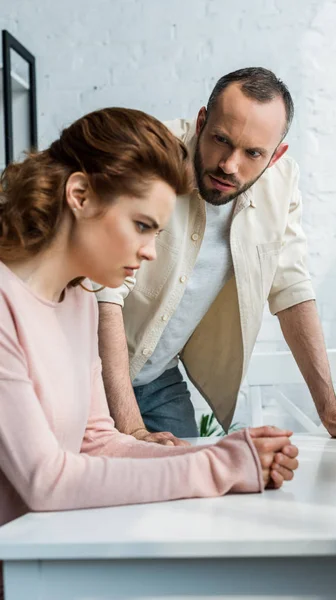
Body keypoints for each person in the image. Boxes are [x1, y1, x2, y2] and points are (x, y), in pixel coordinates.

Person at [0, 106, 300, 534]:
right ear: (80, 195)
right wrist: (219, 467)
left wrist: (230, 454)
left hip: (49, 562)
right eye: (142, 225)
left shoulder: (79, 299)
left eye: (157, 232)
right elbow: (45, 482)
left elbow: (98, 441)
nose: (150, 252)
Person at [96, 68, 336, 445]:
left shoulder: (282, 183)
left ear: (275, 155)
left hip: (157, 378)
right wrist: (132, 429)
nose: (230, 165)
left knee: (192, 489)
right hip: (83, 372)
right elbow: (106, 292)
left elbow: (292, 290)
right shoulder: (147, 153)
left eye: (253, 153)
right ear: (202, 122)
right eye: (221, 139)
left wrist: (330, 410)